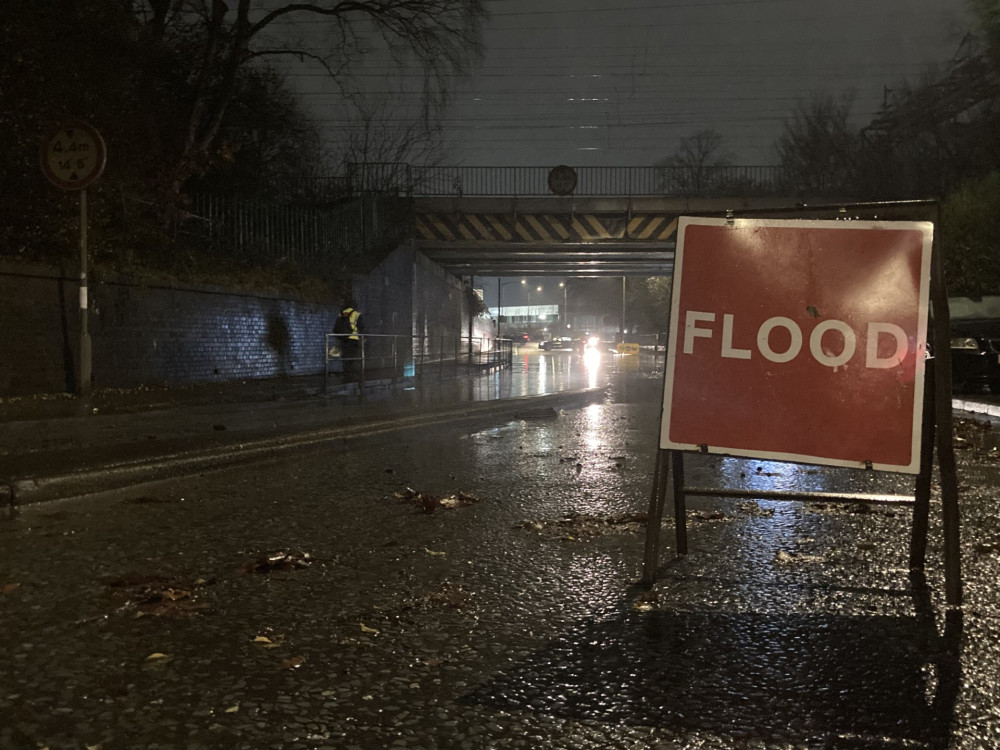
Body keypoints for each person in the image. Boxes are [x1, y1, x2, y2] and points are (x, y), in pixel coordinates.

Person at [333, 301, 364, 379]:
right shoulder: (356, 314)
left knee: (346, 358)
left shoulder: (341, 314)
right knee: (352, 358)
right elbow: (361, 326)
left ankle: (346, 374)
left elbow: (336, 328)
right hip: (353, 339)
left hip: (344, 339)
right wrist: (364, 337)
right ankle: (351, 375)